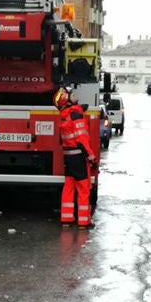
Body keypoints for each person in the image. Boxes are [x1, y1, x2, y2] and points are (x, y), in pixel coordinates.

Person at [55, 88, 96, 229]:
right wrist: (91, 157)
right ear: (67, 100)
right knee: (84, 189)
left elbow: (62, 140)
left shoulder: (64, 116)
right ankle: (84, 222)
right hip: (78, 157)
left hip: (68, 157)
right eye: (72, 95)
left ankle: (66, 220)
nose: (75, 96)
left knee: (68, 188)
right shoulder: (76, 116)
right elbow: (82, 139)